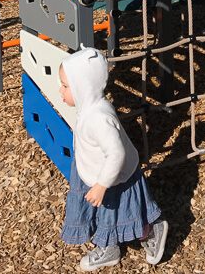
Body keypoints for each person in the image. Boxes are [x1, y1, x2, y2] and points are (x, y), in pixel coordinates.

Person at [59, 47, 168, 271]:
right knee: (105, 212)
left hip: (113, 177)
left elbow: (116, 153)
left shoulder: (98, 118)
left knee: (125, 210)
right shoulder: (88, 108)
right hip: (96, 172)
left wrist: (101, 185)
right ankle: (108, 246)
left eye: (66, 86)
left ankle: (150, 230)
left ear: (83, 88)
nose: (60, 90)